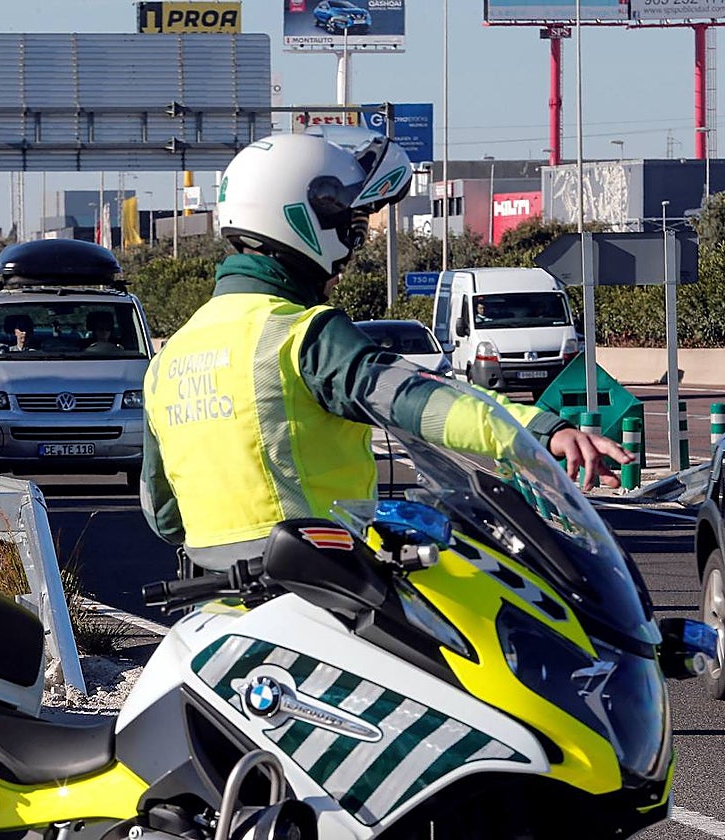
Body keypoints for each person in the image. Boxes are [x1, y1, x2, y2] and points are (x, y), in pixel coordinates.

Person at [140, 129, 631, 572]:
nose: (351, 252)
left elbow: (162, 513)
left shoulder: (168, 361)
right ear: (304, 221)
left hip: (217, 604)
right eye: (351, 231)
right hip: (322, 590)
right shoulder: (298, 334)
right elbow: (418, 401)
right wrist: (536, 430)